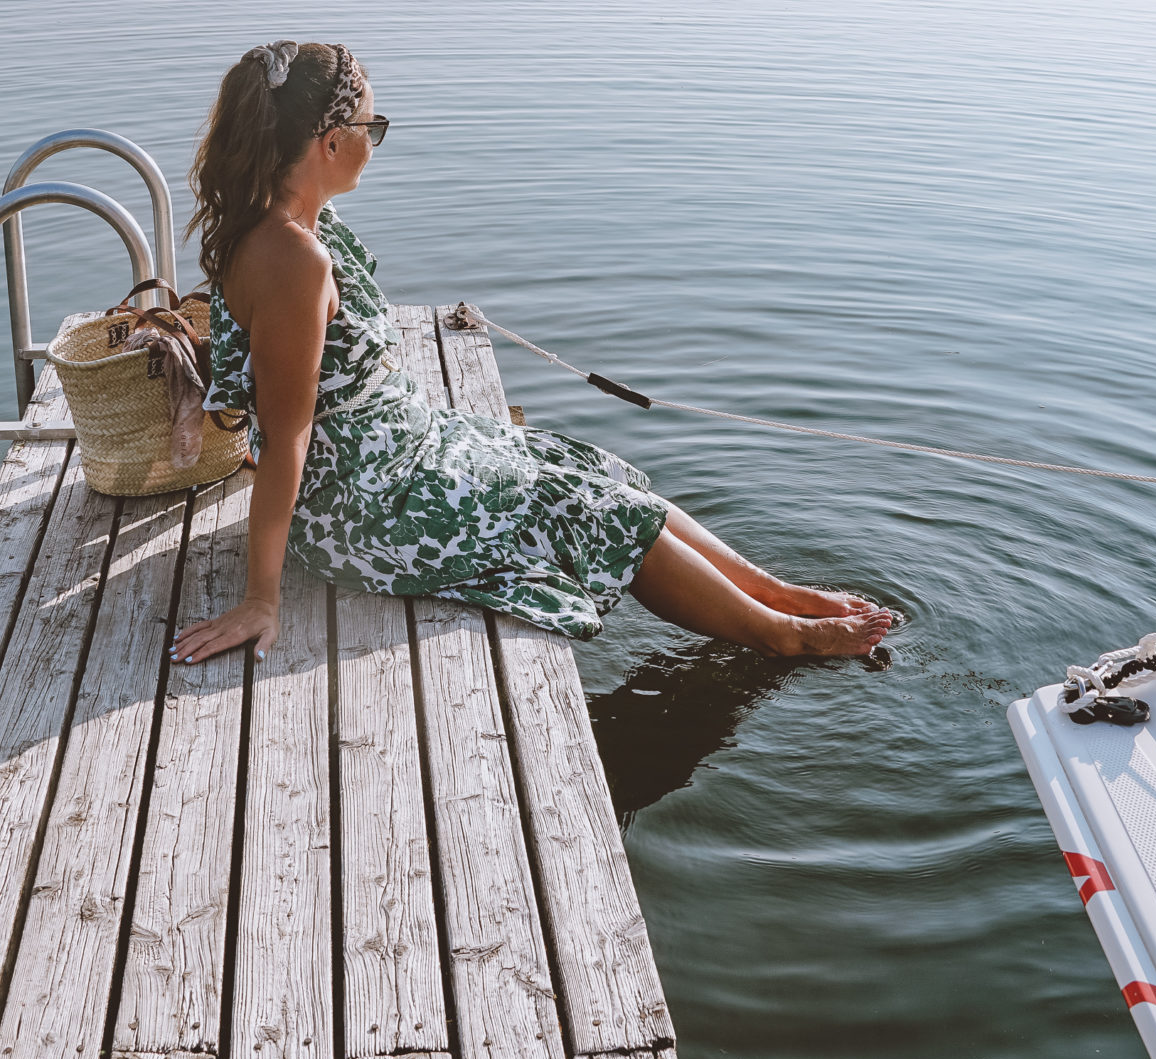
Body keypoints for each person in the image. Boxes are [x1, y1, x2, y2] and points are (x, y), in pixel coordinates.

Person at [170, 41, 895, 666]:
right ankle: (781, 636)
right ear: (329, 140)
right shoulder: (294, 260)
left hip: (394, 451)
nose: (376, 139)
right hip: (364, 503)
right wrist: (261, 598)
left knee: (575, 461)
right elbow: (288, 430)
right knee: (576, 505)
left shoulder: (289, 222)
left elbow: (286, 387)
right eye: (373, 126)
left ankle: (776, 592)